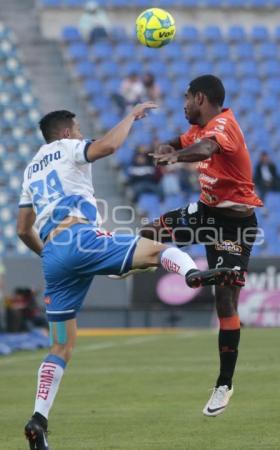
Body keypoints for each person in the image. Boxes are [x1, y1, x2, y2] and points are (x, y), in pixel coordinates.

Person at [17, 106, 237, 449]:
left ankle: (38, 419)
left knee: (60, 345)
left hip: (54, 257)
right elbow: (107, 147)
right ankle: (193, 274)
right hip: (81, 239)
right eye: (76, 129)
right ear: (63, 133)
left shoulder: (30, 171)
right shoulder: (67, 148)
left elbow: (21, 229)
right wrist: (131, 117)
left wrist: (46, 253)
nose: (79, 133)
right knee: (155, 249)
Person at [141, 75, 263, 417]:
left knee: (225, 300)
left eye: (186, 98)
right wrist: (167, 146)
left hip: (235, 226)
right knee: (149, 233)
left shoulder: (224, 125)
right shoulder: (198, 127)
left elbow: (206, 148)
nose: (183, 104)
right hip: (204, 214)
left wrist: (176, 157)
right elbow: (182, 139)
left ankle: (224, 383)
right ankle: (162, 269)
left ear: (200, 97)